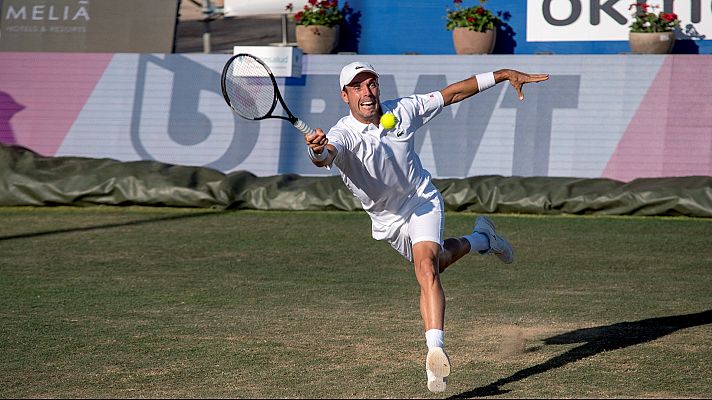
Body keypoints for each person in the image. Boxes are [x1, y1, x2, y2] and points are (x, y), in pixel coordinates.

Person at [303, 61, 549, 393]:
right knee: (437, 263)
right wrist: (316, 150)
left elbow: (454, 93)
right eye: (357, 87)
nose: (367, 92)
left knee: (425, 268)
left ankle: (435, 352)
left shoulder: (403, 111)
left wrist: (503, 74)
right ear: (345, 95)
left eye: (371, 84)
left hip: (421, 201)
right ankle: (481, 238)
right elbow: (326, 154)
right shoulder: (342, 134)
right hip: (388, 221)